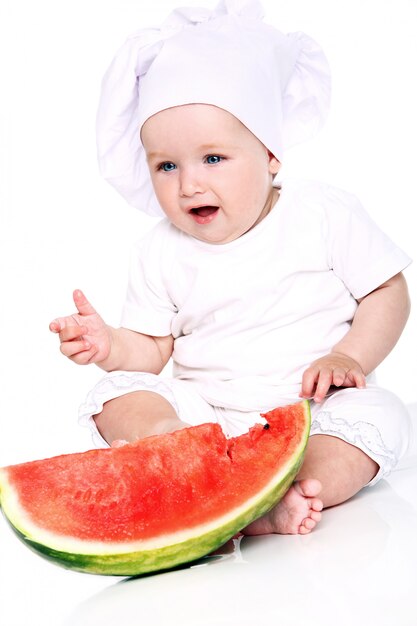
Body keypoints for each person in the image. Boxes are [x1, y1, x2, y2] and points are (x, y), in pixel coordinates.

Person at [49, 0, 412, 535]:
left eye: (212, 158)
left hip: (315, 413)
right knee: (116, 393)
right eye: (166, 166)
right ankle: (185, 459)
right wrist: (109, 346)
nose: (188, 183)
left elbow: (388, 291)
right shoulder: (159, 250)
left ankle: (279, 493)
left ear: (270, 154)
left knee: (381, 416)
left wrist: (347, 355)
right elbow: (151, 352)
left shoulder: (322, 213)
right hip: (208, 419)